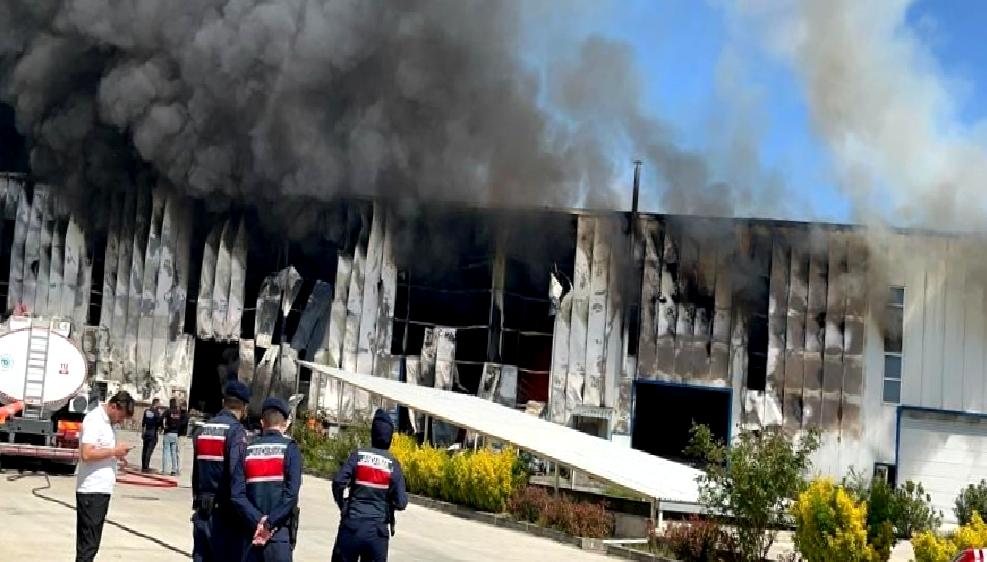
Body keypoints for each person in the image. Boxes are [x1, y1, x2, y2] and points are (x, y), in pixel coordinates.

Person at [331, 409, 408, 562]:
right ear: (390, 438)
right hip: (377, 532)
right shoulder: (393, 464)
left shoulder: (358, 456)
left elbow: (338, 482)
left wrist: (343, 505)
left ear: (372, 434)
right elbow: (401, 502)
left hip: (352, 526)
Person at [233, 397, 302, 562]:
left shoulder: (247, 449)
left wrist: (258, 520)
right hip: (279, 537)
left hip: (251, 534)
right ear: (285, 423)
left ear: (262, 422)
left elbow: (237, 494)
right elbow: (291, 495)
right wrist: (269, 523)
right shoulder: (290, 449)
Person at [191, 381, 251, 562]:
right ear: (244, 407)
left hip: (202, 511)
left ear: (223, 402)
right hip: (225, 517)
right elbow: (236, 474)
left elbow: (196, 474)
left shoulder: (202, 429)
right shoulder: (236, 432)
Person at [76, 390, 136, 562]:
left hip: (100, 491)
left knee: (91, 545)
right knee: (88, 546)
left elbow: (100, 451)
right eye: (121, 416)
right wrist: (113, 451)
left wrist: (116, 456)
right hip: (91, 491)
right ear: (114, 406)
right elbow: (86, 454)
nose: (121, 421)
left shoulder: (108, 423)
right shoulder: (95, 420)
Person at [163, 398, 184, 475]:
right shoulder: (178, 412)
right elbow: (180, 422)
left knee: (166, 452)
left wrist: (163, 427)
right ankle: (174, 470)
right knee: (174, 453)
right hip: (175, 434)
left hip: (168, 433)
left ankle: (165, 470)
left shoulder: (168, 411)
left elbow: (161, 418)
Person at [140, 398, 162, 472]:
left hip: (146, 432)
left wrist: (142, 432)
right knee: (149, 450)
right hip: (153, 432)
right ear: (156, 404)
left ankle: (143, 466)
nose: (160, 405)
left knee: (144, 449)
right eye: (159, 403)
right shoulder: (157, 413)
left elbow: (143, 423)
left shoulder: (146, 411)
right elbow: (159, 423)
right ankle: (146, 467)